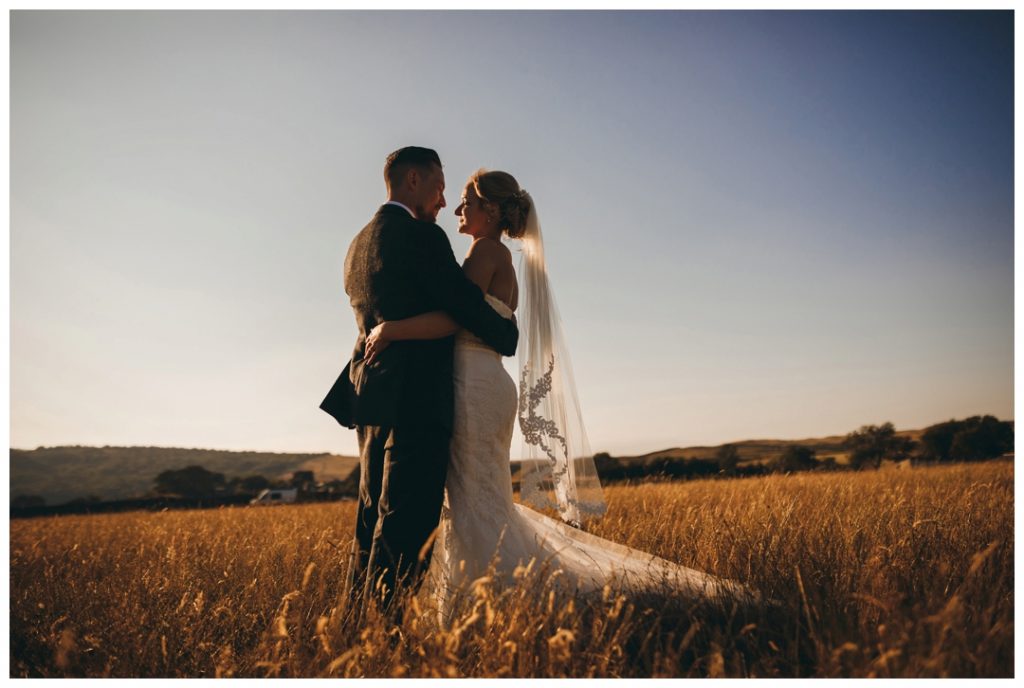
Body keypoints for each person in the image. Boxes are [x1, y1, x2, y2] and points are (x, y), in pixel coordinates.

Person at [362, 169, 759, 623]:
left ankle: (497, 606)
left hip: (470, 385)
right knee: (484, 497)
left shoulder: (484, 252)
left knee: (472, 500)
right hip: (490, 382)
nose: (458, 209)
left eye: (468, 202)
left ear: (490, 211)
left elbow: (455, 318)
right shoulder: (504, 260)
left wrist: (391, 328)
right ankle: (496, 601)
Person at [319, 147, 519, 616]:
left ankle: (358, 618)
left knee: (371, 513)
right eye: (439, 188)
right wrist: (506, 331)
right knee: (408, 517)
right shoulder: (421, 237)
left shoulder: (357, 244)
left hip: (373, 392)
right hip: (419, 399)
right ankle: (385, 625)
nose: (444, 203)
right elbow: (464, 308)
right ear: (413, 180)